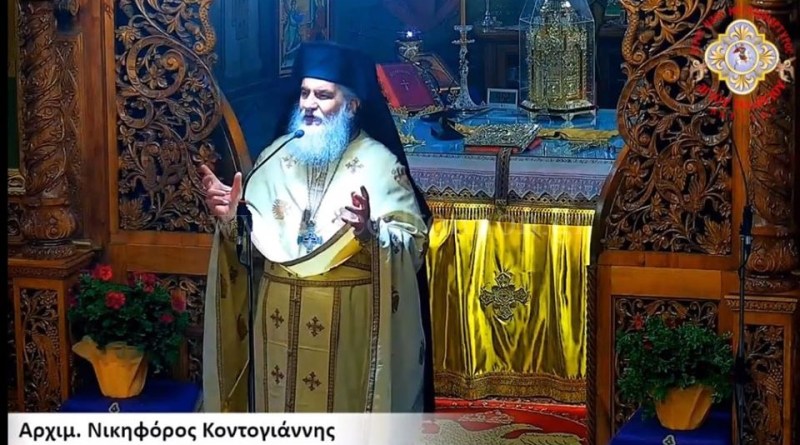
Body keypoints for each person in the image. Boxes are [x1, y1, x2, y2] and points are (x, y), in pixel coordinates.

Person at [199, 41, 435, 413]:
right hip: (277, 324)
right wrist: (232, 221)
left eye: (323, 95)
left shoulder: (379, 164)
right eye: (305, 93)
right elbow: (250, 251)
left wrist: (371, 234)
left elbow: (413, 245)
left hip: (346, 327)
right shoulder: (276, 156)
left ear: (352, 105)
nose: (309, 104)